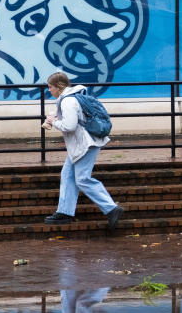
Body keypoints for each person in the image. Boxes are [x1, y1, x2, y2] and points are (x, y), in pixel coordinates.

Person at [42, 71, 123, 230]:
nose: (49, 90)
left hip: (85, 145)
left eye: (50, 87)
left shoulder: (68, 101)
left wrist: (54, 122)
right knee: (67, 174)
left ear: (59, 87)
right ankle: (64, 212)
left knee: (82, 179)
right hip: (81, 144)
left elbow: (70, 126)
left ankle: (111, 208)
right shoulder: (72, 97)